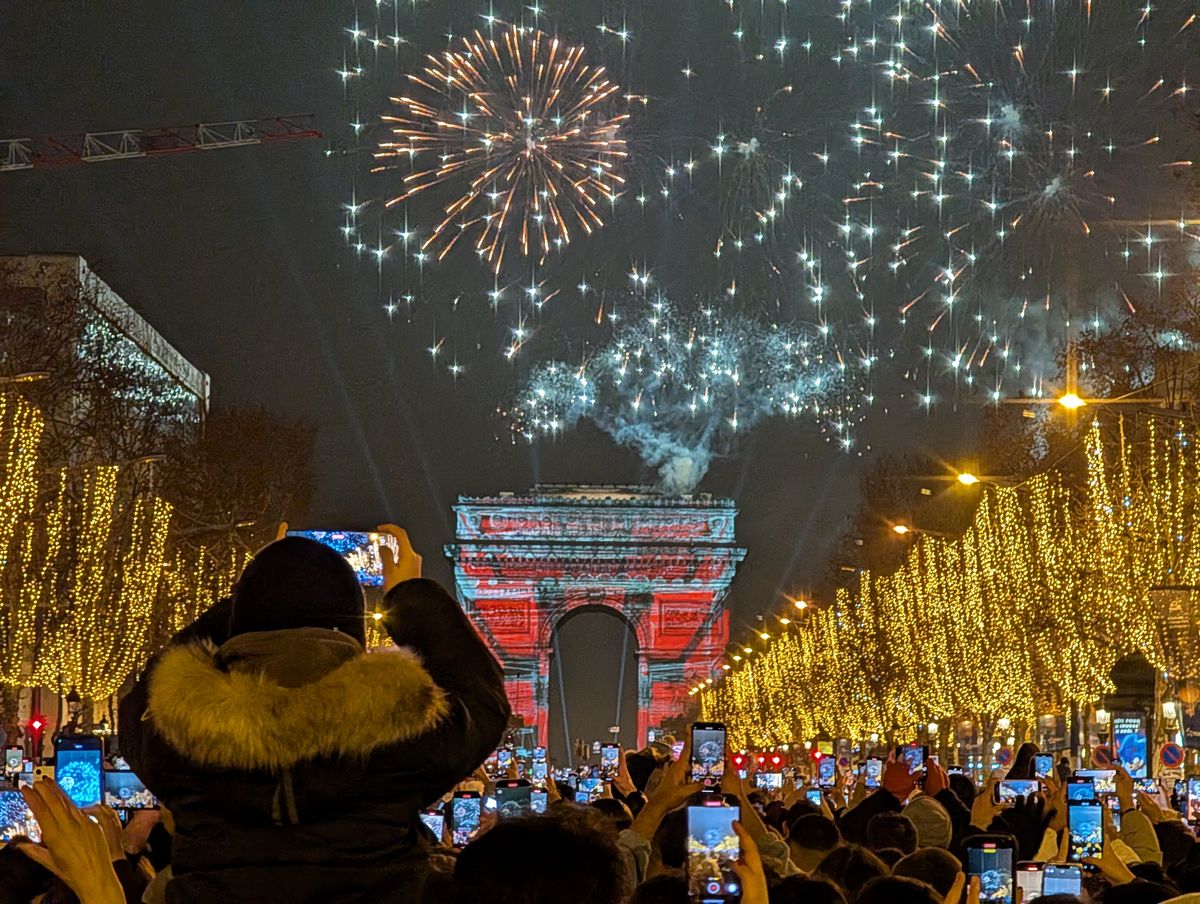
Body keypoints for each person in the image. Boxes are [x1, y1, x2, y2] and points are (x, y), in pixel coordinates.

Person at [118, 528, 510, 903]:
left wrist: (256, 590)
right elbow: (482, 698)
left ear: (239, 627)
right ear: (352, 636)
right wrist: (409, 595)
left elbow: (142, 698)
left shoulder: (176, 741)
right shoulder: (402, 734)